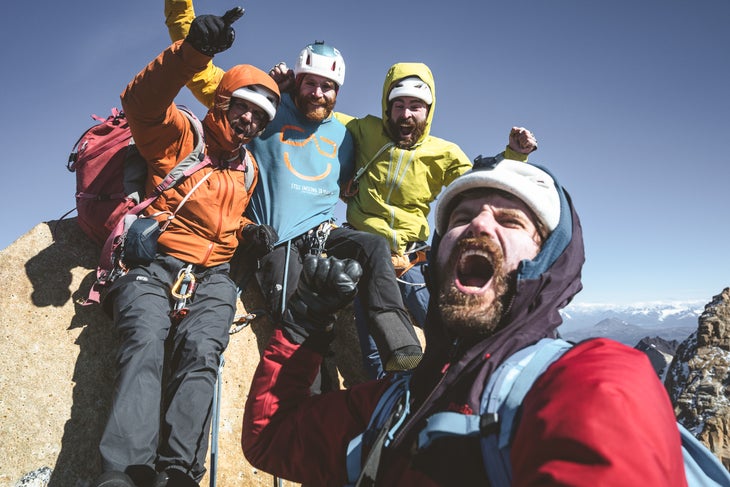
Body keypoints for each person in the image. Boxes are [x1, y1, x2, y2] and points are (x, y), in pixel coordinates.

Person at [241, 158, 687, 485]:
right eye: (460, 218)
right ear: (436, 257)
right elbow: (274, 438)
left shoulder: (592, 381)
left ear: (547, 263)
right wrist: (305, 323)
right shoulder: (395, 402)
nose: (478, 227)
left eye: (510, 220)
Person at [165, 0, 424, 375]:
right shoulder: (265, 108)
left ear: (338, 91)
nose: (319, 93)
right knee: (298, 313)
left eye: (328, 87)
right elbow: (199, 74)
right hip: (274, 237)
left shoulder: (346, 132)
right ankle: (308, 391)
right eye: (311, 83)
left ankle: (399, 342)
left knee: (371, 246)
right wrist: (185, 17)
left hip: (321, 232)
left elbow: (398, 142)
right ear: (297, 81)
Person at [92, 10, 281, 487]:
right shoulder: (180, 135)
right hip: (153, 264)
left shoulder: (248, 169)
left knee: (203, 350)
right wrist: (193, 52)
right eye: (243, 107)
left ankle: (177, 473)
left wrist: (245, 235)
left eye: (259, 117)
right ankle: (124, 471)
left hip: (213, 275)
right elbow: (141, 101)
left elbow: (221, 221)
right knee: (145, 341)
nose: (249, 120)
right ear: (222, 99)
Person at [334, 62, 538, 378]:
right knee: (374, 350)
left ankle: (448, 395)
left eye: (415, 106)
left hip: (410, 258)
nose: (405, 114)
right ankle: (382, 414)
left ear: (429, 111)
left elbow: (478, 180)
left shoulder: (443, 153)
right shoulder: (364, 129)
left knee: (447, 331)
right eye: (398, 105)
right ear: (387, 107)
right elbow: (316, 115)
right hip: (366, 253)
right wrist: (290, 86)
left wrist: (513, 155)